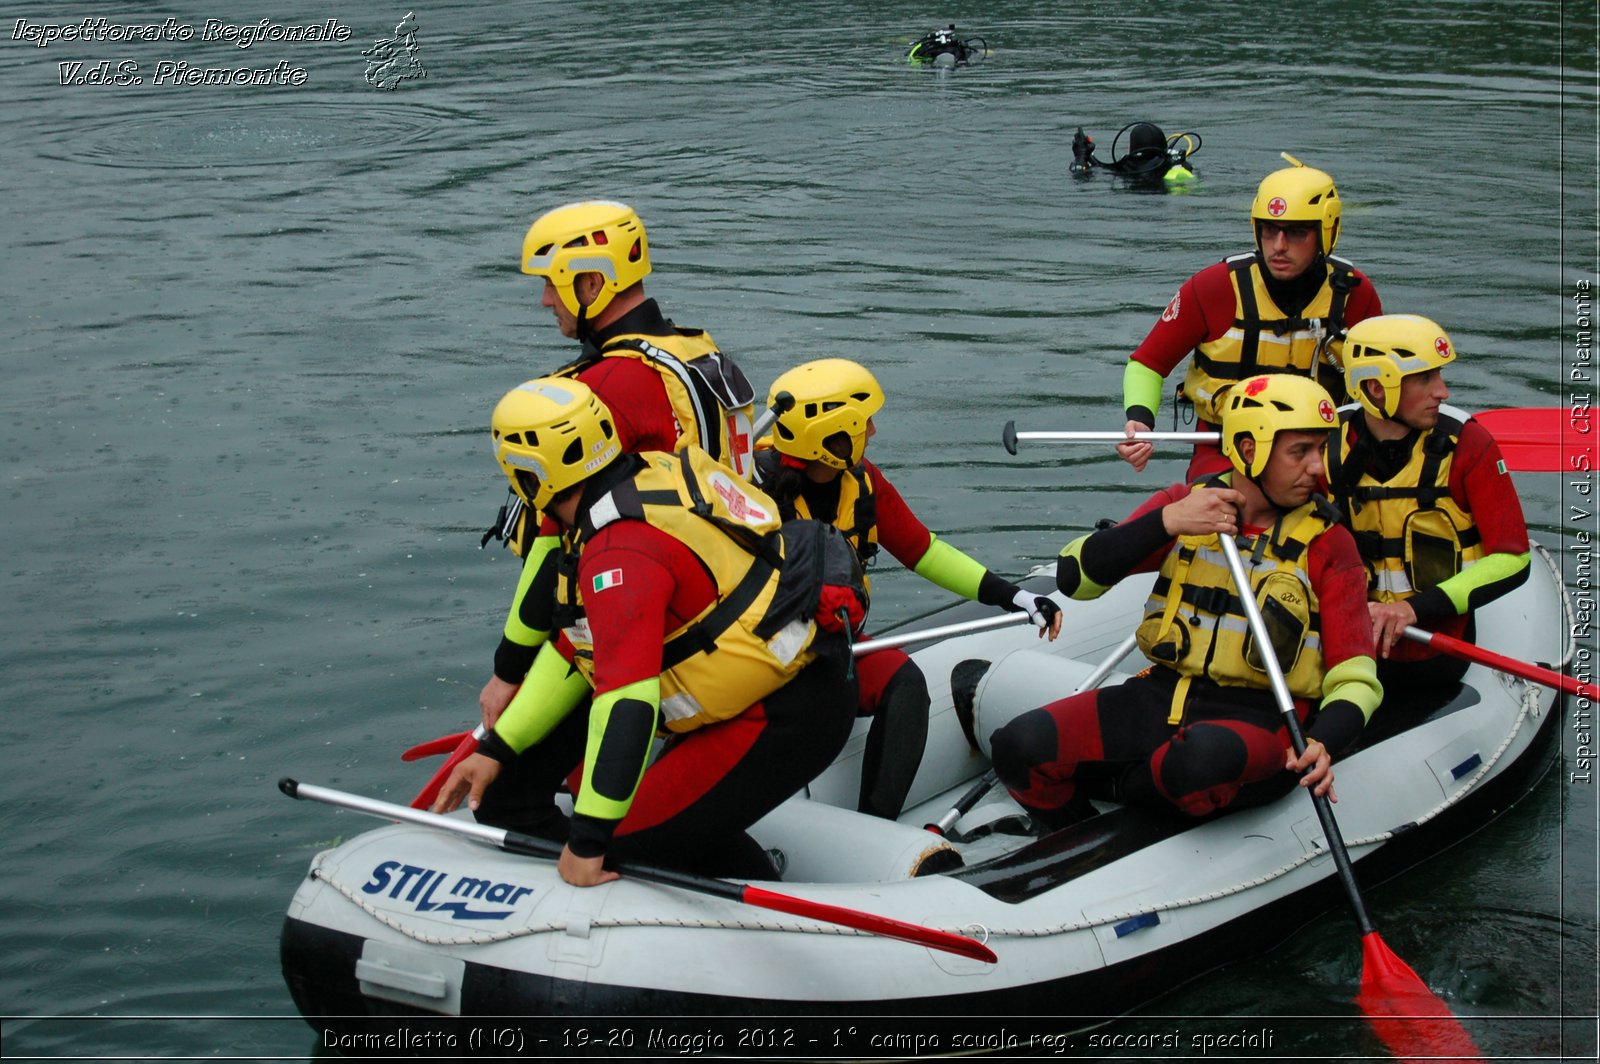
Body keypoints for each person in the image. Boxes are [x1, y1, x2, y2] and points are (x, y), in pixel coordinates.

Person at [434, 378, 860, 885]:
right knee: (509, 797)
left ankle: (750, 877)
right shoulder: (643, 476)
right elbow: (579, 647)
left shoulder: (618, 551)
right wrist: (498, 750)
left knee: (624, 845)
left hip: (784, 714)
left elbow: (628, 700)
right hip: (760, 674)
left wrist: (589, 843)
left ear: (529, 476)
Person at [991, 374, 1382, 826]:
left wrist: (1324, 740)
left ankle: (1125, 785)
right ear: (1250, 450)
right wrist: (1167, 521)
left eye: (1321, 449)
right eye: (1300, 452)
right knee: (1018, 746)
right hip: (1160, 696)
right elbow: (1076, 577)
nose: (1318, 468)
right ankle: (1077, 833)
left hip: (1259, 722)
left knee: (1196, 762)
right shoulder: (1183, 506)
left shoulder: (1330, 543)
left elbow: (1356, 679)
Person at [479, 201, 757, 729]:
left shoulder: (603, 388)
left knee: (513, 784)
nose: (543, 301)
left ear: (590, 285)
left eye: (550, 285)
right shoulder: (693, 350)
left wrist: (507, 671)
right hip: (730, 585)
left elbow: (549, 543)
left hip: (649, 619)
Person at [754, 358, 1063, 820]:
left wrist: (1012, 596)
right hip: (757, 656)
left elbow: (924, 551)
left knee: (906, 684)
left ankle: (877, 822)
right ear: (832, 436)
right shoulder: (748, 491)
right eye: (864, 424)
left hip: (832, 646)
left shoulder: (862, 484)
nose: (873, 432)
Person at [1117, 158, 1384, 480]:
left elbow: (1380, 386)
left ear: (1326, 231)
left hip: (1321, 451)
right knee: (1216, 512)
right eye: (1269, 231)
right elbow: (1147, 364)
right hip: (1226, 448)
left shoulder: (1355, 293)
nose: (1278, 246)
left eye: (1296, 233)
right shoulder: (1214, 288)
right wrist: (1140, 421)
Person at [1325, 314, 1530, 722]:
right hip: (1341, 645)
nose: (1443, 391)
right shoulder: (1324, 440)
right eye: (1424, 379)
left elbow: (1514, 558)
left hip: (1431, 651)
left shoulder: (1468, 444)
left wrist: (1411, 610)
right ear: (1375, 387)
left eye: (1438, 375)